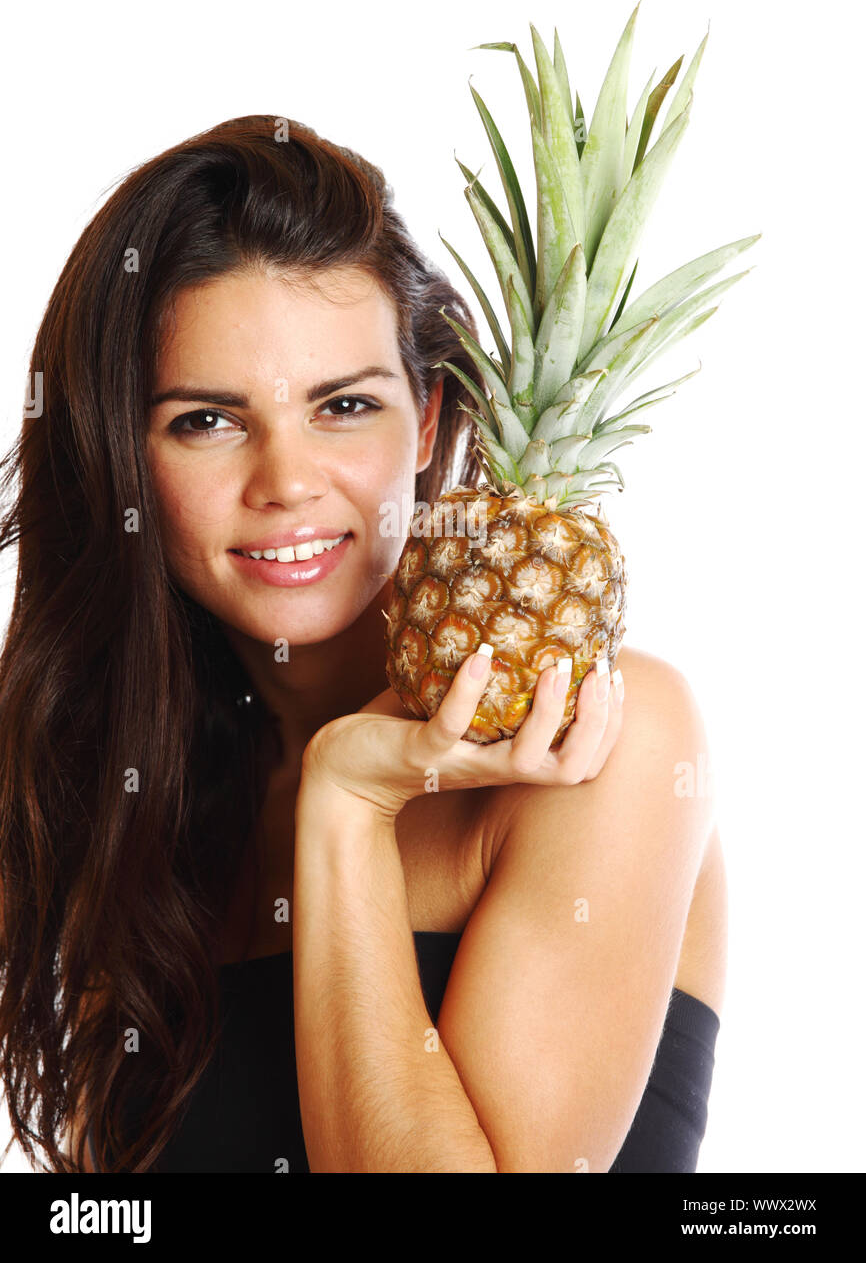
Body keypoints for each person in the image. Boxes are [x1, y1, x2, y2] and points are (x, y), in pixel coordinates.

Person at [0, 115, 726, 1174]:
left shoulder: (603, 735)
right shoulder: (135, 788)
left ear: (426, 422)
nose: (286, 481)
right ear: (122, 457)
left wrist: (346, 806)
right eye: (206, 419)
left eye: (344, 405)